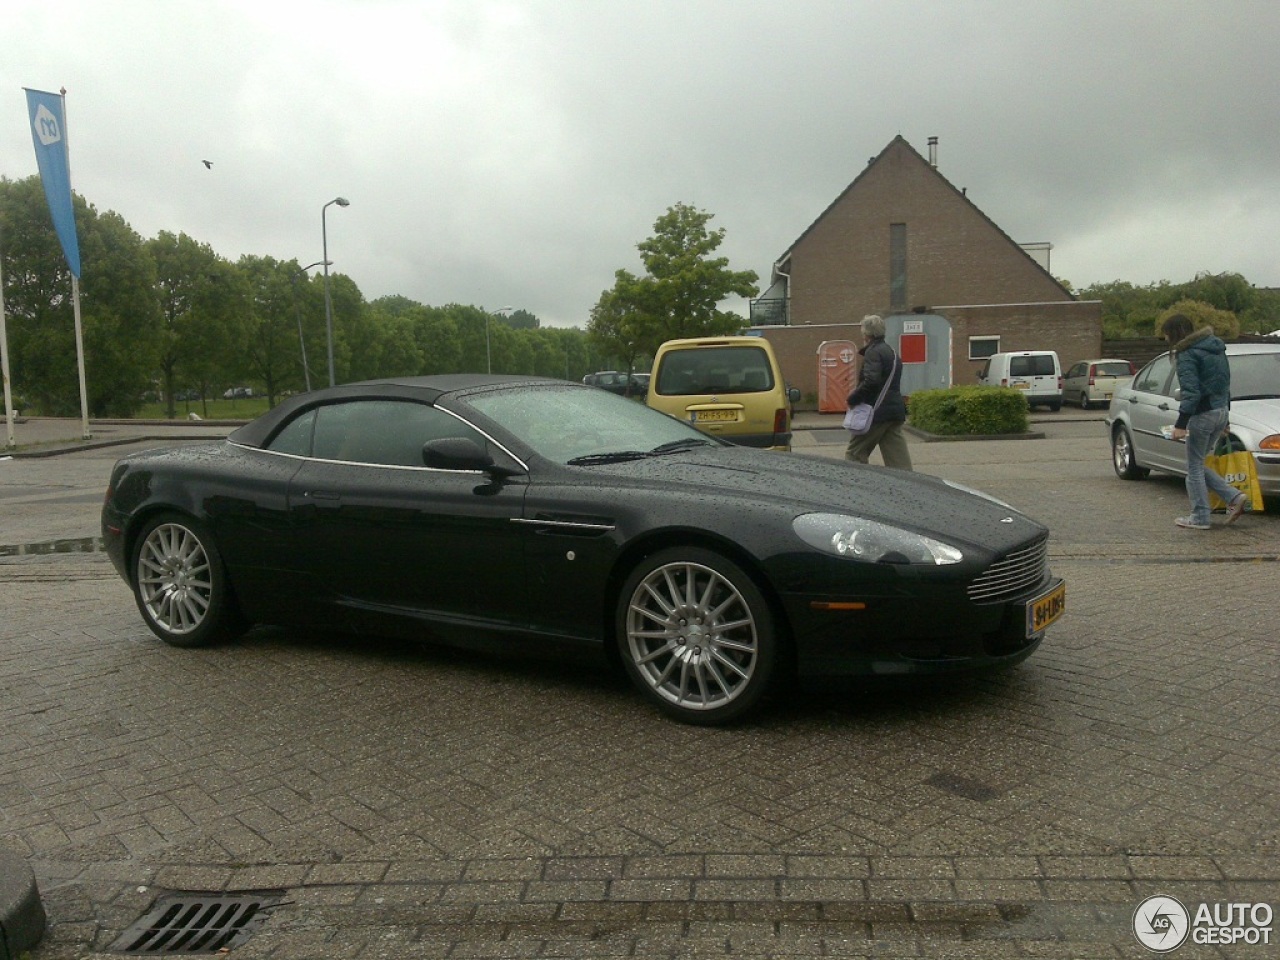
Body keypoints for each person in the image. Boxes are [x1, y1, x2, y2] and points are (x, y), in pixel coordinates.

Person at [1160, 313, 1248, 529]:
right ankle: (1234, 497)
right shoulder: (1216, 348)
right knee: (1197, 463)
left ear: (1175, 333)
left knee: (1194, 469)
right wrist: (1225, 418)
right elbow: (1224, 383)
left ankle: (1200, 517)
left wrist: (1181, 424)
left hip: (1203, 414)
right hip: (1220, 411)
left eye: (1166, 335)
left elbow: (1191, 393)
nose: (1165, 340)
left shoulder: (1187, 354)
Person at [845, 314, 912, 470]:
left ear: (866, 334)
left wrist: (853, 399)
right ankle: (909, 486)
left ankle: (854, 487)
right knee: (898, 458)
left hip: (877, 412)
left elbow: (871, 381)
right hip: (895, 412)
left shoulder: (873, 352)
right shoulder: (892, 353)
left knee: (855, 453)